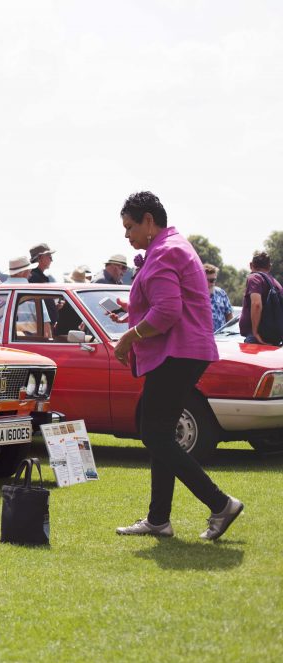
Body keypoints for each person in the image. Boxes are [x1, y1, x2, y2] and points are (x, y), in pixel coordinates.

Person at [111, 191, 241, 541]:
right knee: (160, 434)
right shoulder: (171, 246)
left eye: (129, 227)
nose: (127, 235)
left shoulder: (165, 252)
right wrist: (130, 308)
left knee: (154, 434)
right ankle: (158, 520)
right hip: (185, 352)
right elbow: (166, 301)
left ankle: (220, 503)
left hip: (177, 353)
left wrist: (129, 337)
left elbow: (168, 313)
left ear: (149, 221)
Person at [239, 251, 282, 344]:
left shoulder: (254, 278)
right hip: (271, 336)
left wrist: (255, 332)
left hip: (257, 337)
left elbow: (256, 304)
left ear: (251, 265)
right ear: (269, 267)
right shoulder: (276, 283)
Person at [204, 263, 234, 332]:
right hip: (202, 338)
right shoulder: (194, 295)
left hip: (220, 338)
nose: (210, 283)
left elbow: (229, 316)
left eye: (213, 280)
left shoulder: (221, 293)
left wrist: (229, 333)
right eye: (206, 280)